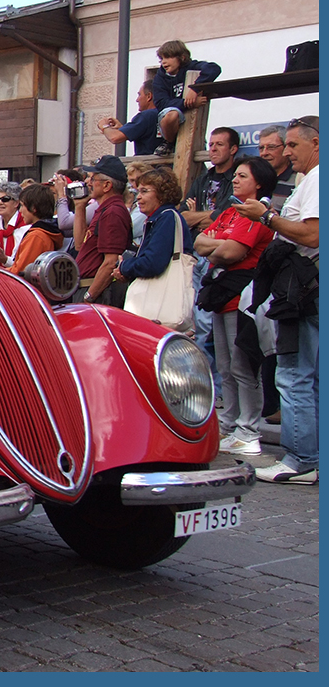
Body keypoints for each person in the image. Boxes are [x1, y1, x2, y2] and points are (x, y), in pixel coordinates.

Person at [236, 116, 319, 484]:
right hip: (304, 289)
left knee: (295, 375)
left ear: (316, 143)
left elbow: (312, 234)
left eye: (292, 145)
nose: (286, 153)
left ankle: (301, 459)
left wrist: (266, 215)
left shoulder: (317, 178)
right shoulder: (310, 179)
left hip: (304, 291)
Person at [193, 156, 277, 456]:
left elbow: (230, 251)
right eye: (236, 175)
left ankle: (249, 429)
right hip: (221, 295)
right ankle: (229, 423)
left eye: (243, 176)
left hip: (243, 299)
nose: (236, 180)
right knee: (226, 367)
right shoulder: (229, 211)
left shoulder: (257, 215)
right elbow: (200, 243)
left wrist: (218, 246)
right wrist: (218, 246)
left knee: (243, 367)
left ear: (259, 183)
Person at [181, 126, 240, 395]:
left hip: (219, 255)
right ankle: (207, 386)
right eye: (211, 144)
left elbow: (224, 216)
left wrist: (203, 216)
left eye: (219, 145)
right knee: (198, 322)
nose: (213, 149)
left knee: (212, 328)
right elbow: (184, 215)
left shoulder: (235, 179)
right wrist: (207, 216)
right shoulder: (203, 178)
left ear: (233, 149)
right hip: (198, 252)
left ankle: (215, 389)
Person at [255, 125, 296, 423]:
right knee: (267, 344)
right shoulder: (263, 182)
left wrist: (267, 216)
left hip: (293, 273)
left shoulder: (302, 181)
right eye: (261, 148)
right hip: (269, 273)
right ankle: (272, 407)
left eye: (274, 147)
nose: (266, 153)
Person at [113, 166, 194, 288]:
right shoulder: (157, 219)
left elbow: (152, 263)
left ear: (162, 194)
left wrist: (124, 267)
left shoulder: (166, 218)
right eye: (138, 192)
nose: (138, 197)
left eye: (144, 191)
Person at [72, 155, 133, 306]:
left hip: (99, 292)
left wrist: (89, 297)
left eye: (93, 179)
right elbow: (79, 245)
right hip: (90, 287)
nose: (87, 182)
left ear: (107, 185)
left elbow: (110, 262)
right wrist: (80, 207)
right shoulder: (105, 210)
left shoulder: (113, 212)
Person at [152, 40, 221, 155]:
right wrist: (188, 103)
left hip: (192, 126)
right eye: (162, 59)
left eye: (168, 57)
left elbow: (214, 68)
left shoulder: (191, 67)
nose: (164, 62)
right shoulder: (160, 78)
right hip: (170, 122)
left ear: (182, 57)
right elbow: (162, 103)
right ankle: (169, 142)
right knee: (171, 114)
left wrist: (195, 89)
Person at [0, 184, 62, 275]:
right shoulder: (40, 232)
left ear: (33, 208)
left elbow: (20, 272)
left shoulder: (36, 236)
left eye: (22, 206)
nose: (20, 211)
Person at [97, 80, 161, 156]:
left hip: (147, 166)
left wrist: (104, 126)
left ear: (149, 96)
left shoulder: (146, 116)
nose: (137, 100)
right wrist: (124, 129)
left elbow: (114, 138)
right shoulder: (164, 114)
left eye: (139, 95)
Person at [52, 168, 98, 255]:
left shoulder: (99, 205)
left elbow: (64, 223)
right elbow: (78, 243)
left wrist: (62, 194)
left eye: (91, 178)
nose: (87, 181)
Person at [126, 162, 154, 244]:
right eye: (131, 181)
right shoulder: (133, 199)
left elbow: (125, 230)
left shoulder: (145, 204)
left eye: (138, 180)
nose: (134, 185)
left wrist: (127, 206)